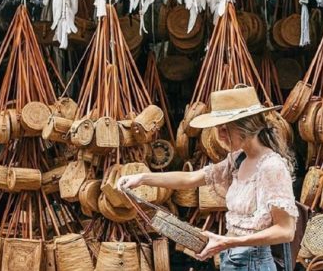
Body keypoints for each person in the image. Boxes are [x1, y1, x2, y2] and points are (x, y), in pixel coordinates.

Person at [117, 86, 298, 270]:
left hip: (254, 262)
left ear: (246, 126)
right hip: (232, 259)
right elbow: (190, 179)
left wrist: (228, 242)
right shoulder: (238, 159)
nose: (219, 136)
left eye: (224, 129)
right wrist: (142, 178)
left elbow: (285, 231)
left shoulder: (271, 167)